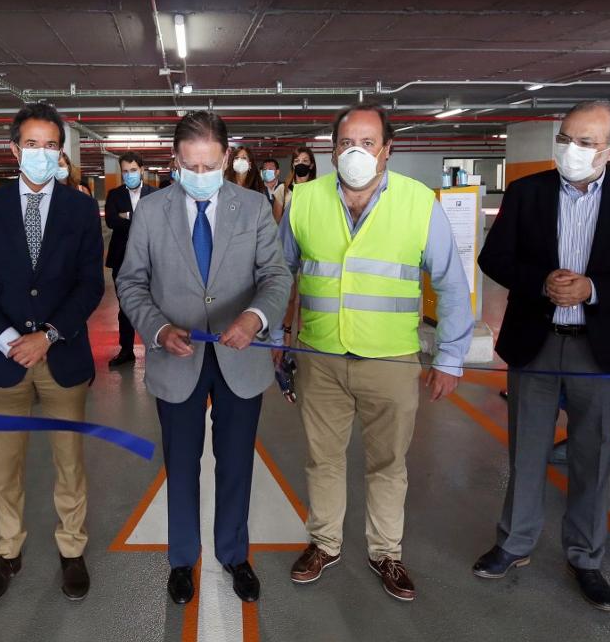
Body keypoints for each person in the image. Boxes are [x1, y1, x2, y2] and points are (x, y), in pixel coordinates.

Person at [472, 100, 610, 612]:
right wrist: (542, 282)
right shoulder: (526, 193)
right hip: (536, 344)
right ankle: (514, 544)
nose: (571, 150)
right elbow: (494, 256)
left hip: (601, 348)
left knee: (592, 455)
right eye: (566, 138)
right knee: (526, 450)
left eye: (585, 143)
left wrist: (593, 289)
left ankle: (585, 557)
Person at [275, 103, 474, 602]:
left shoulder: (418, 202)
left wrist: (450, 356)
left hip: (391, 361)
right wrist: (278, 338)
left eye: (367, 143)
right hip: (320, 356)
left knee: (388, 462)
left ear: (387, 149)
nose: (355, 152)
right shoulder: (304, 200)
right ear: (331, 148)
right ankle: (325, 543)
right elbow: (280, 277)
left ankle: (386, 551)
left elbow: (452, 283)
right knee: (323, 460)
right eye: (345, 143)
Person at [116, 111, 291, 606]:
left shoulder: (254, 207)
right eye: (190, 165)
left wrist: (255, 318)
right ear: (175, 161)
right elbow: (130, 281)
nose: (200, 174)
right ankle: (181, 560)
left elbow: (276, 277)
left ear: (228, 160)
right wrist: (157, 327)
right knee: (182, 463)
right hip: (177, 357)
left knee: (236, 463)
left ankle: (235, 554)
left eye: (210, 164)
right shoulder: (151, 212)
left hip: (240, 358)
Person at [0, 103, 105, 607]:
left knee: (69, 460)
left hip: (60, 354)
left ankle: (72, 548)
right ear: (15, 149)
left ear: (60, 151)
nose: (42, 154)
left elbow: (90, 283)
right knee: (6, 464)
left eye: (51, 145)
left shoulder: (81, 209)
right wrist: (6, 339)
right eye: (33, 145)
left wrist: (49, 334)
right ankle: (7, 552)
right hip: (6, 360)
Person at [104, 151, 157, 368]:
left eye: (133, 170)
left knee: (155, 304)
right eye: (125, 171)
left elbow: (158, 223)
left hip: (152, 260)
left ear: (142, 170)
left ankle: (156, 345)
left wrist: (127, 217)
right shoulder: (114, 195)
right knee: (125, 305)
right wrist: (138, 220)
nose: (129, 175)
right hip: (122, 260)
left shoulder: (155, 194)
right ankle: (126, 350)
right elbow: (110, 221)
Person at [272, 145, 317, 223]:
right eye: (297, 161)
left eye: (305, 161)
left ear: (311, 165)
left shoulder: (317, 189)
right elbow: (276, 221)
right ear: (293, 165)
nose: (300, 163)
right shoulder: (283, 189)